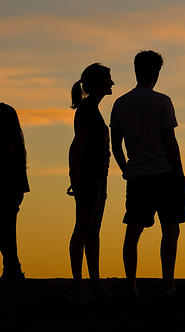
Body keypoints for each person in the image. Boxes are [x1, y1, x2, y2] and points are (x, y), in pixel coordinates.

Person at [110, 50, 185, 301]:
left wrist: (126, 169)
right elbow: (170, 141)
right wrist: (179, 173)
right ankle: (168, 284)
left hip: (138, 176)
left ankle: (131, 285)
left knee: (133, 231)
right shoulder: (162, 101)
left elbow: (115, 144)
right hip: (164, 173)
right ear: (155, 72)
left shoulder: (120, 104)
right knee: (171, 229)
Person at [67, 63, 114, 302]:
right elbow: (78, 145)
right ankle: (78, 284)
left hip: (97, 177)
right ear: (98, 83)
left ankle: (93, 281)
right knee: (83, 229)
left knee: (92, 230)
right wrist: (75, 176)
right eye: (109, 79)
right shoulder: (86, 110)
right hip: (89, 177)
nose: (112, 83)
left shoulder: (91, 109)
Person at [0, 103, 30, 280]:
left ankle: (12, 268)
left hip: (7, 190)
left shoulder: (7, 141)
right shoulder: (10, 140)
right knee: (4, 231)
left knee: (3, 231)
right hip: (8, 190)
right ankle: (12, 268)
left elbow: (9, 168)